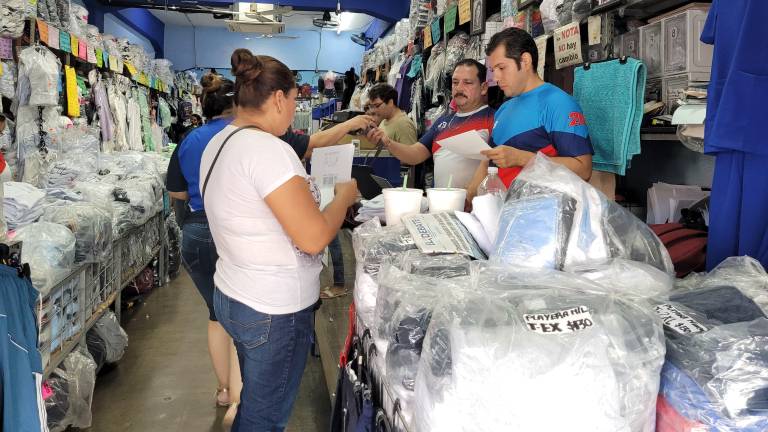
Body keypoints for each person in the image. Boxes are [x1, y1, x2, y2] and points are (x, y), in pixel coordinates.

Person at [200, 48, 358, 431]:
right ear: (277, 99)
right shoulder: (269, 151)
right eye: (293, 100)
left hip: (235, 292)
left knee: (255, 403)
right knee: (264, 419)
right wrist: (342, 198)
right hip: (272, 309)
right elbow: (314, 237)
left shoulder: (220, 143)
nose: (293, 110)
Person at [482, 27, 593, 186]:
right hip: (498, 200)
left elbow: (583, 169)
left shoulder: (559, 103)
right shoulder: (503, 109)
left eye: (501, 68)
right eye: (493, 70)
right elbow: (487, 162)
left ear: (525, 61)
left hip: (541, 201)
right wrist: (470, 193)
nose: (496, 77)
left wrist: (522, 158)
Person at [366, 59, 494, 191]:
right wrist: (387, 142)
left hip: (474, 203)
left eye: (467, 82)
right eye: (455, 82)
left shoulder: (493, 118)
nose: (459, 88)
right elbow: (415, 154)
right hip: (438, 201)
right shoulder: (443, 122)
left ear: (483, 87)